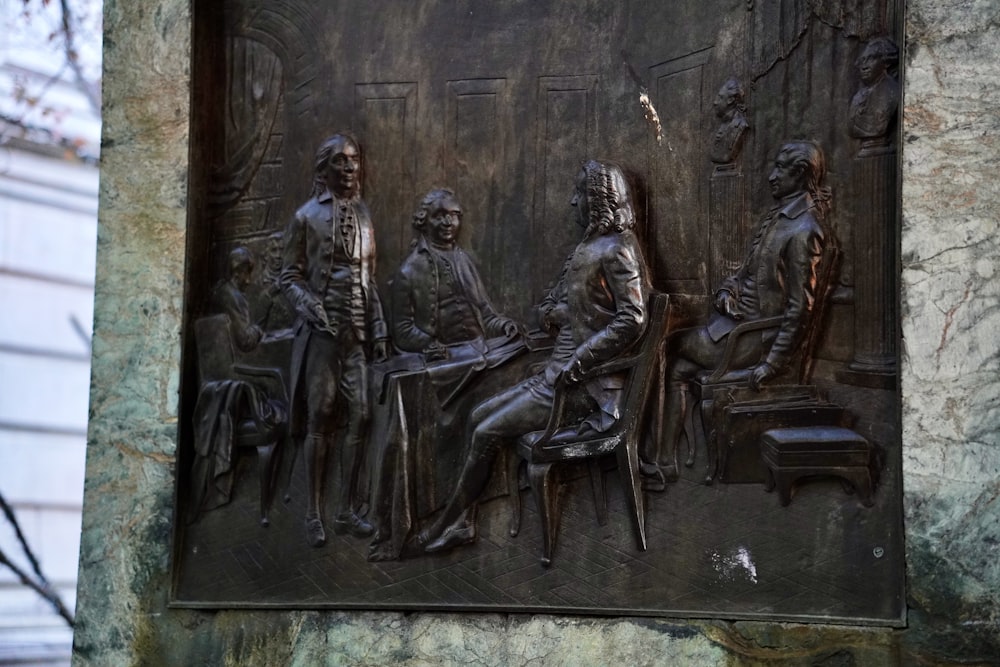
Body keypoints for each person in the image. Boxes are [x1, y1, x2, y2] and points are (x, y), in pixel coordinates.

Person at [418, 159, 649, 554]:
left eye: (579, 194)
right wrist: (553, 312)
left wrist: (580, 361)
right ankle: (462, 520)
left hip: (582, 388)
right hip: (555, 376)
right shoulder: (587, 247)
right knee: (476, 417)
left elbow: (633, 318)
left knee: (484, 429)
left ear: (597, 199)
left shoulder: (616, 249)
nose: (572, 202)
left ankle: (451, 521)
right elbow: (564, 301)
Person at [658, 141, 832, 480]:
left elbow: (801, 308)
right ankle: (664, 459)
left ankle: (656, 454)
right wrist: (727, 292)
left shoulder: (805, 229)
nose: (771, 176)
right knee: (677, 366)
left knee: (665, 343)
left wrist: (772, 364)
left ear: (800, 175)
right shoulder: (779, 219)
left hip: (755, 341)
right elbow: (744, 273)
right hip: (734, 328)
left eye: (780, 168)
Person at [281, 132, 389, 547]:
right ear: (324, 169)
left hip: (357, 332)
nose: (349, 168)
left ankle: (346, 510)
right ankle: (313, 512)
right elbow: (288, 277)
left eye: (353, 160)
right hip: (322, 335)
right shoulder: (305, 217)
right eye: (340, 162)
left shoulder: (363, 215)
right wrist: (309, 306)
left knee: (361, 415)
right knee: (321, 415)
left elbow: (369, 278)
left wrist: (378, 329)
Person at [391, 188, 520, 358]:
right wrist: (428, 345)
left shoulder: (463, 260)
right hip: (445, 357)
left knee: (523, 346)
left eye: (453, 215)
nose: (448, 222)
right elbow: (402, 330)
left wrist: (503, 325)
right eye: (439, 216)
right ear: (424, 221)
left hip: (479, 348)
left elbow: (485, 312)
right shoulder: (410, 270)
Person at [211, 246, 264, 352]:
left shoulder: (220, 290)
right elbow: (245, 341)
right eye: (246, 273)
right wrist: (258, 330)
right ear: (236, 272)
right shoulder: (235, 297)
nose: (248, 281)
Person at [849, 37, 900, 144]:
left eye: (871, 59)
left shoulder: (892, 91)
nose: (864, 66)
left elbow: (878, 127)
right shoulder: (858, 96)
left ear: (886, 62)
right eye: (863, 60)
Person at [709, 77, 750, 167]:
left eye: (720, 97)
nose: (715, 102)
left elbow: (722, 156)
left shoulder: (741, 125)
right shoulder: (722, 124)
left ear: (730, 100)